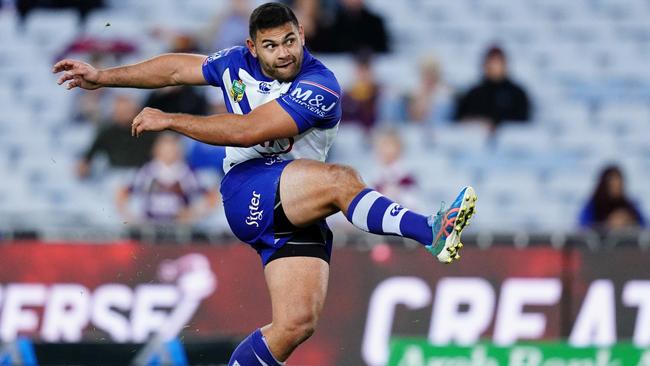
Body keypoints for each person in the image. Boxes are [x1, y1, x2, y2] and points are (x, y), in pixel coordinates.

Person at [53, 3, 477, 365]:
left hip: (296, 205)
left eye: (289, 41)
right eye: (271, 45)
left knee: (295, 326)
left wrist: (171, 120)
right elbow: (176, 68)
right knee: (342, 180)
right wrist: (104, 76)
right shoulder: (234, 62)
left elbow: (247, 129)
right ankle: (431, 231)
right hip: (248, 187)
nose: (283, 53)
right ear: (253, 46)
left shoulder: (320, 85)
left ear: (302, 35)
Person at [116, 133, 218, 224]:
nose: (169, 151)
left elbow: (212, 195)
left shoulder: (186, 172)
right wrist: (130, 217)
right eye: (165, 146)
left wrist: (194, 213)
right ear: (156, 149)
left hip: (177, 228)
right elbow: (123, 192)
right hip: (151, 226)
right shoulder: (147, 171)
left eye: (172, 146)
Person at [77, 92, 155, 178]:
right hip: (114, 173)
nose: (123, 115)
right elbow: (90, 154)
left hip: (142, 172)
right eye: (119, 111)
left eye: (127, 111)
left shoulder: (147, 129)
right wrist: (84, 165)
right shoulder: (107, 131)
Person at [454, 45, 530, 130]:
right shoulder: (473, 94)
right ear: (484, 64)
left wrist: (497, 124)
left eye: (497, 62)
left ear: (505, 64)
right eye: (490, 62)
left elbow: (524, 122)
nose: (493, 66)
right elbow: (459, 120)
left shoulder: (517, 94)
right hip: (475, 140)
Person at [579, 165, 645, 231]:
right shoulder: (593, 206)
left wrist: (630, 221)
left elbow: (644, 226)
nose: (616, 188)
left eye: (619, 184)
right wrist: (608, 224)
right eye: (613, 184)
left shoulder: (630, 205)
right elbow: (583, 228)